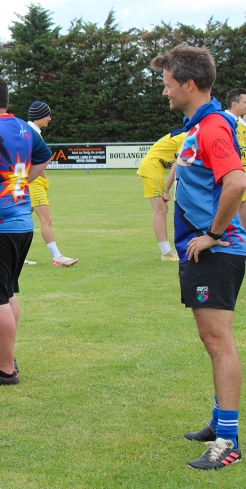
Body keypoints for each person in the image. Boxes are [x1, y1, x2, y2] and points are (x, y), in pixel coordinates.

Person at [151, 44, 246, 470]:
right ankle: (218, 421)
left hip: (214, 251)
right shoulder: (201, 126)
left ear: (189, 84)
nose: (165, 92)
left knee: (217, 341)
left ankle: (228, 441)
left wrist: (213, 234)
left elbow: (236, 182)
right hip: (207, 251)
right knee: (212, 341)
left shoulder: (212, 128)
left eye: (168, 84)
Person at [0, 75, 52, 387]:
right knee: (7, 293)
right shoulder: (24, 126)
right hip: (22, 221)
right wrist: (22, 183)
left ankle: (6, 369)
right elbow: (44, 157)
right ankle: (5, 355)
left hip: (0, 224)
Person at [26, 101, 79, 267]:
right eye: (47, 115)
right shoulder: (31, 133)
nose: (50, 118)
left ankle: (16, 257)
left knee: (21, 221)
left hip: (34, 184)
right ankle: (57, 257)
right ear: (38, 116)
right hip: (33, 185)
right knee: (46, 220)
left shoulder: (31, 132)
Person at [136, 130, 188, 261]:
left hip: (155, 167)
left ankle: (167, 250)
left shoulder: (187, 134)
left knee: (163, 209)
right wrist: (166, 189)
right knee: (160, 209)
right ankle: (165, 252)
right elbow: (177, 165)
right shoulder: (189, 136)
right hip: (152, 167)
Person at [223, 88, 246, 224]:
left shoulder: (237, 124)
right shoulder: (224, 122)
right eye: (245, 102)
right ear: (235, 104)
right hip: (231, 178)